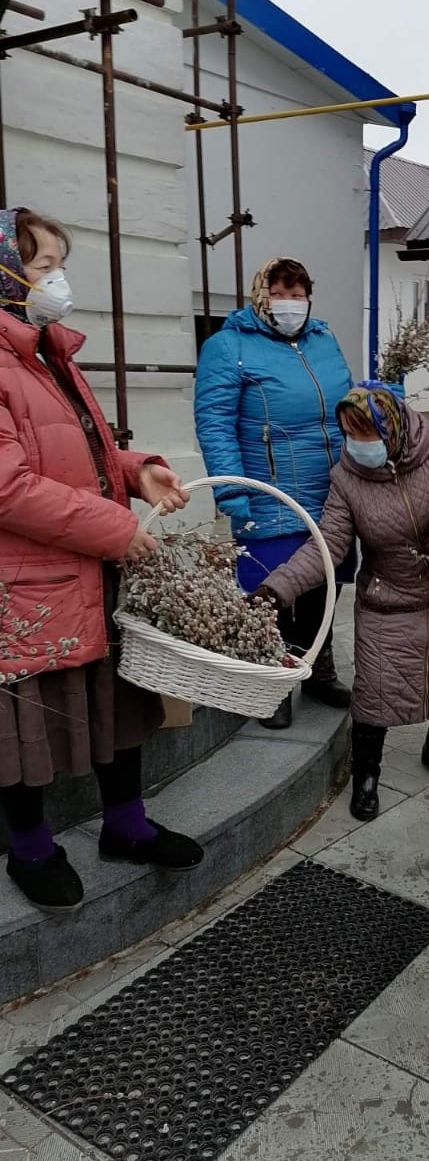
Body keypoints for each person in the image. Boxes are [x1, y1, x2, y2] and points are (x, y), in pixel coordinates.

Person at [0, 207, 204, 913]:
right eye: (43, 266)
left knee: (115, 705)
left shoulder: (49, 353)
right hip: (30, 582)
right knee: (26, 726)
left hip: (84, 566)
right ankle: (29, 850)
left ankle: (127, 827)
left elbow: (81, 449)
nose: (58, 281)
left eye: (59, 263)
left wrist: (136, 467)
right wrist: (114, 528)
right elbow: (9, 486)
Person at [259, 382, 429, 822]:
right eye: (351, 433)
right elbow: (327, 546)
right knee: (373, 696)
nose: (359, 444)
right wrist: (278, 588)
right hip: (389, 600)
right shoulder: (346, 478)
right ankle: (366, 774)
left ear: (395, 427)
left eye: (368, 432)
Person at [194, 256, 355, 731]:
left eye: (298, 293)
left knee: (326, 581)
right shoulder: (228, 346)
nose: (290, 303)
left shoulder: (324, 340)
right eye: (280, 292)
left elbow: (344, 408)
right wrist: (232, 490)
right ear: (259, 295)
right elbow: (216, 423)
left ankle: (318, 669)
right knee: (271, 591)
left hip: (332, 489)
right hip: (269, 491)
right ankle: (273, 680)